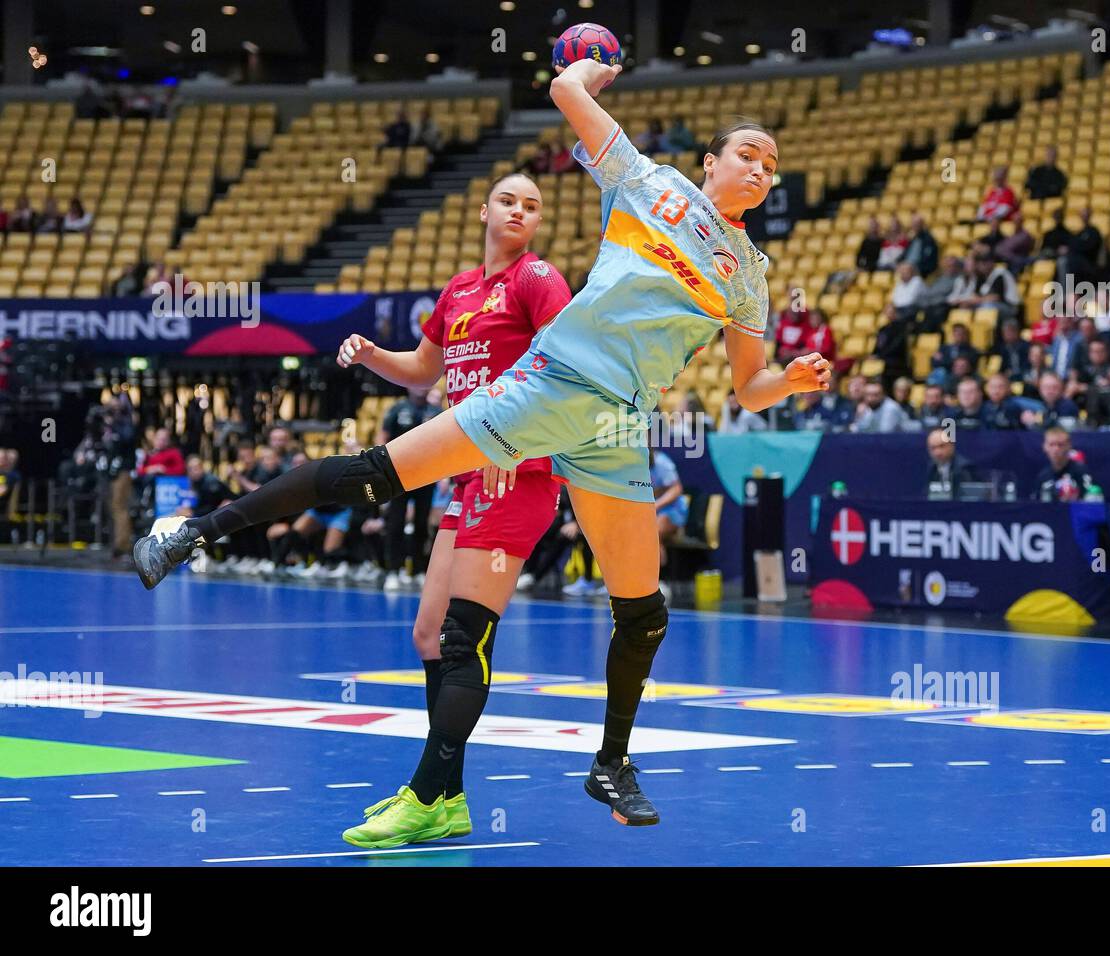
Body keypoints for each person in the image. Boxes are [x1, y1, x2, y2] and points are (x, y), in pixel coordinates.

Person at [135, 59, 832, 834]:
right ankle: (195, 533)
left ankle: (610, 763)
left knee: (645, 613)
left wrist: (792, 381)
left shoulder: (749, 276)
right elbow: (565, 93)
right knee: (374, 477)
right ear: (710, 160)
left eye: (771, 166)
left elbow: (748, 387)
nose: (761, 170)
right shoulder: (650, 183)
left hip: (616, 428)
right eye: (748, 153)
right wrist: (585, 70)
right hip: (547, 390)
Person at [333, 170, 571, 844]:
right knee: (429, 636)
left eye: (532, 204)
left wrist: (510, 440)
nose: (520, 210)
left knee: (464, 640)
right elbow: (423, 370)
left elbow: (565, 363)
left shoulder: (538, 279)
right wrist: (373, 353)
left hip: (514, 474)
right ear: (482, 211)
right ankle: (450, 802)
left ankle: (424, 792)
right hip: (466, 477)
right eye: (508, 199)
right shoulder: (460, 290)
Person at [379, 386, 440, 591]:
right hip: (400, 474)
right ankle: (393, 571)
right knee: (395, 523)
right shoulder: (398, 409)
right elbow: (383, 437)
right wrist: (381, 466)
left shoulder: (436, 412)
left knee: (422, 524)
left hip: (427, 475)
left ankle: (418, 571)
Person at [648, 447, 687, 577]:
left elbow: (676, 489)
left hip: (672, 511)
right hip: (649, 513)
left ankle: (659, 580)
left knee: (653, 533)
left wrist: (656, 505)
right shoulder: (633, 465)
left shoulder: (662, 462)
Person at [1034, 426, 1094, 501]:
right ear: (1045, 447)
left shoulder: (1081, 472)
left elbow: (1092, 502)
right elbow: (1036, 506)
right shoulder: (1043, 476)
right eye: (1051, 444)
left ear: (1069, 446)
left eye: (1060, 445)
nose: (1056, 449)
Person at [924, 427, 978, 500]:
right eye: (933, 448)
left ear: (951, 445)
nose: (937, 452)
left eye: (942, 446)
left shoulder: (965, 469)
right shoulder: (932, 468)